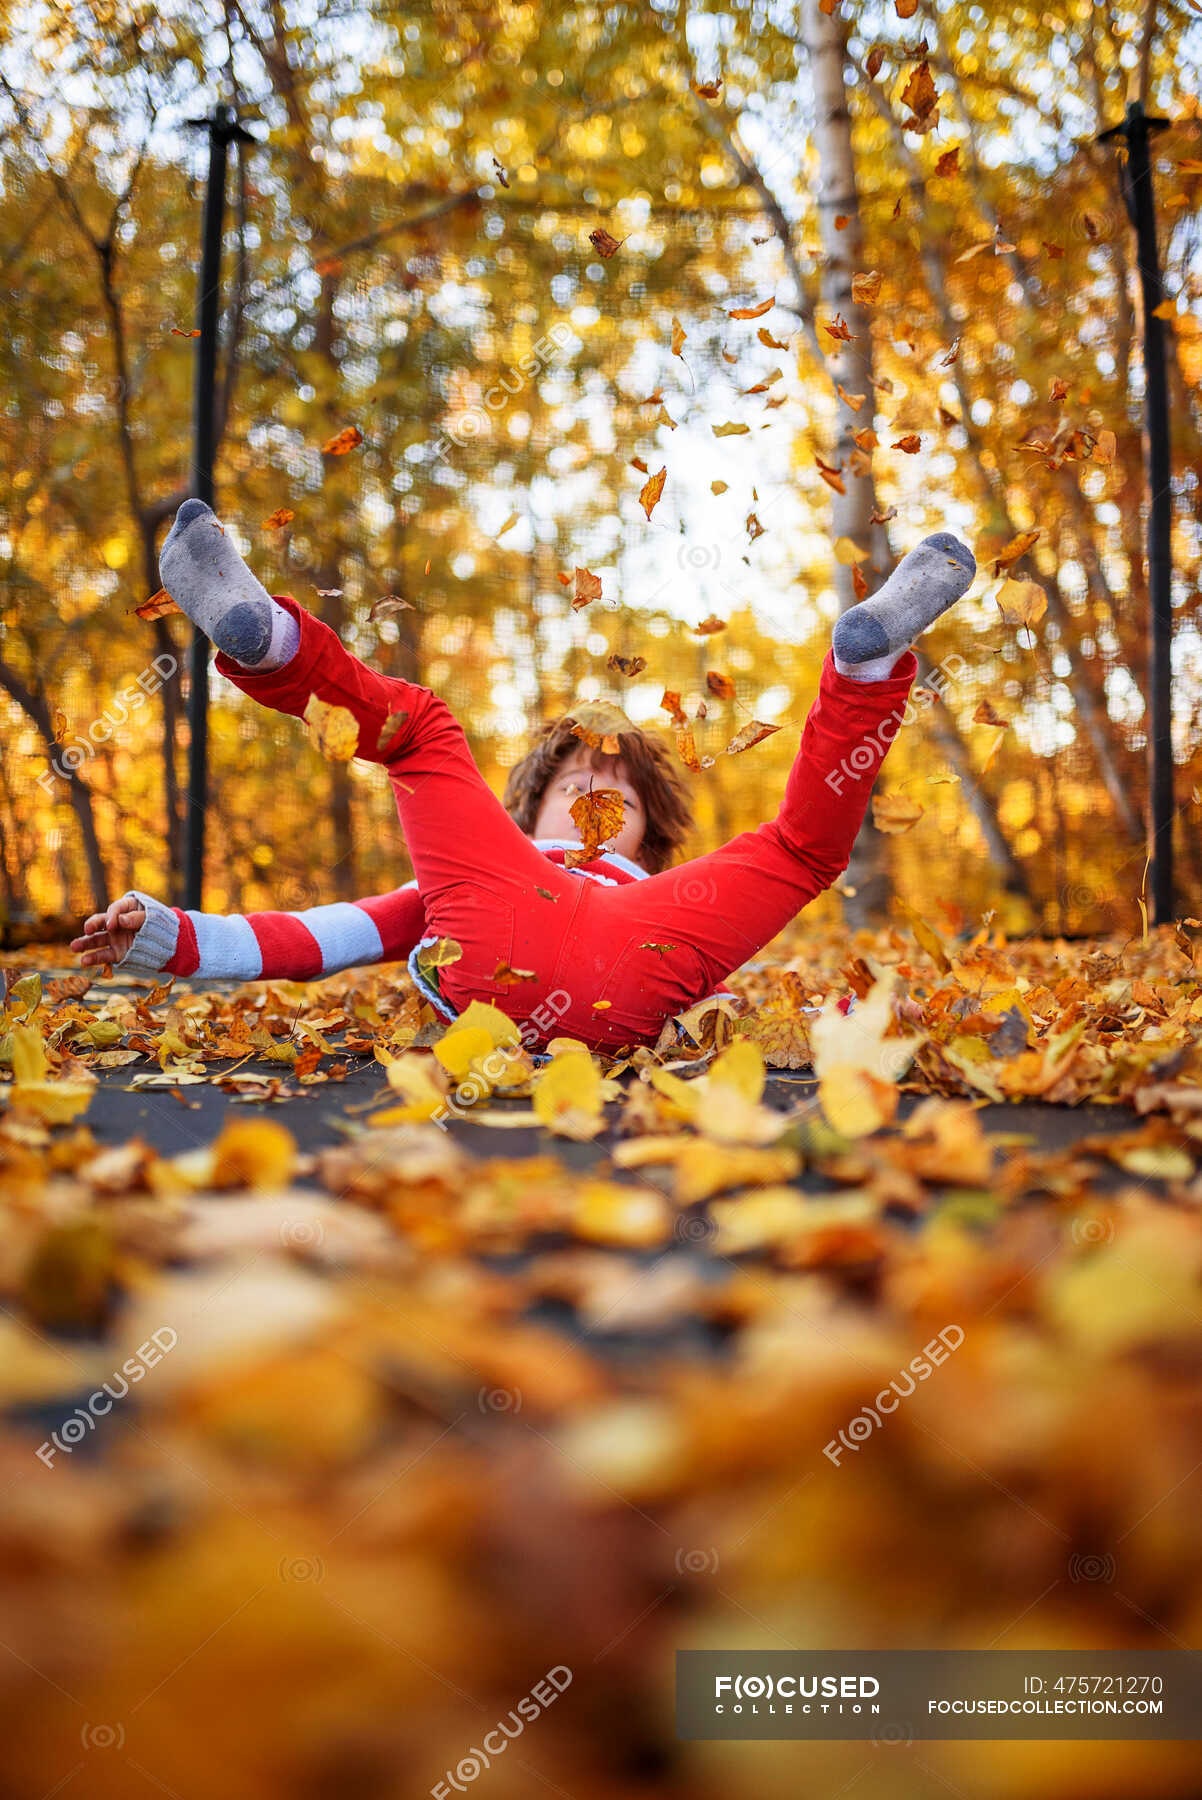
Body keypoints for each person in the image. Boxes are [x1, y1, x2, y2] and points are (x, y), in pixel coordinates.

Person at [72, 500, 975, 1053]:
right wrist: (169, 935)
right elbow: (320, 938)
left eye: (617, 794)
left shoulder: (664, 895)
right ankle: (267, 638)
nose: (596, 794)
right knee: (419, 727)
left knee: (801, 850)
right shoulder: (473, 879)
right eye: (572, 784)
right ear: (522, 814)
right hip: (510, 931)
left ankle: (863, 666)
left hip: (640, 951)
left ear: (651, 837)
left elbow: (719, 993)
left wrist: (739, 1022)